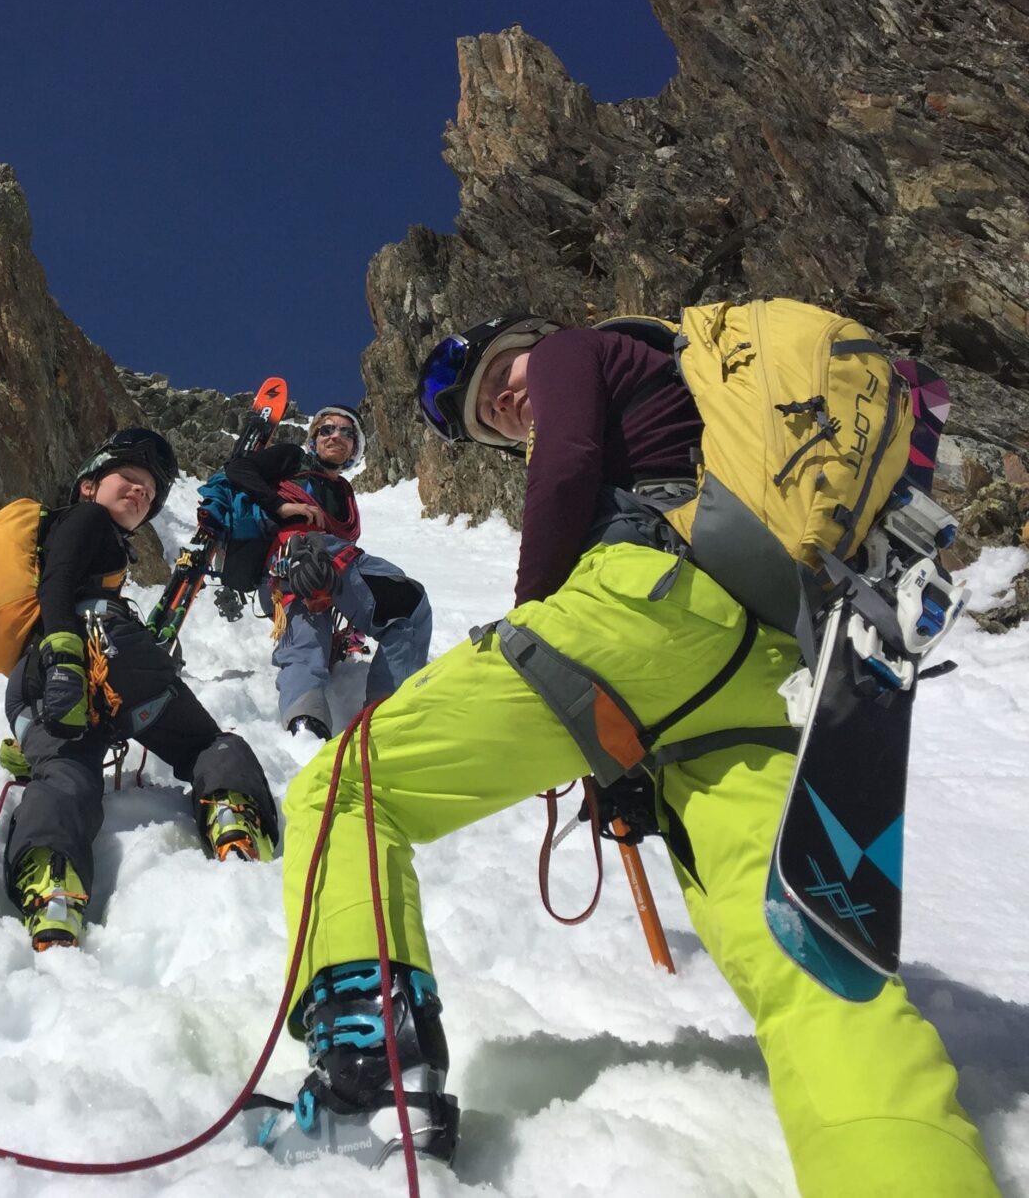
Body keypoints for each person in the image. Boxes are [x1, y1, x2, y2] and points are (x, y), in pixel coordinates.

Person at [261, 317, 1000, 1194]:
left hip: (636, 608)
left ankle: (366, 1089)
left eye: (498, 377)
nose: (502, 402)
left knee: (343, 794)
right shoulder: (685, 399)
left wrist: (535, 617)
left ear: (526, 336)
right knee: (805, 950)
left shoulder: (574, 347)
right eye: (488, 415)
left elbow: (567, 463)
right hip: (762, 671)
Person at [3, 427, 281, 951]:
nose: (140, 492)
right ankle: (232, 815)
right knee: (203, 743)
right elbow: (56, 583)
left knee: (64, 773)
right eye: (129, 478)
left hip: (33, 688)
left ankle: (52, 886)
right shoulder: (86, 519)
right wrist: (68, 656)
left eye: (149, 492)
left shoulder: (85, 532)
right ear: (88, 485)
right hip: (100, 655)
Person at [224, 405, 432, 739]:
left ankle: (305, 728)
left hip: (290, 577)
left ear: (354, 448)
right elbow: (238, 469)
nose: (336, 436)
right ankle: (388, 721)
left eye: (347, 433)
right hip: (299, 557)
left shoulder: (344, 495)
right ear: (314, 439)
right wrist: (280, 505)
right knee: (407, 604)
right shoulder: (293, 459)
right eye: (327, 429)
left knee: (308, 645)